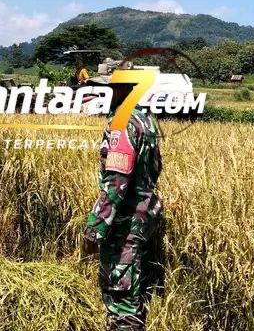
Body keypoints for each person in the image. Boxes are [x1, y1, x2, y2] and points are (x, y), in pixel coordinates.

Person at [83, 76, 165, 330]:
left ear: (122, 88)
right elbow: (156, 168)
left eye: (108, 88)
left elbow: (117, 182)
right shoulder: (146, 119)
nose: (105, 93)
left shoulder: (122, 122)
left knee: (121, 298)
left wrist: (96, 227)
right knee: (138, 286)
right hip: (146, 213)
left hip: (125, 221)